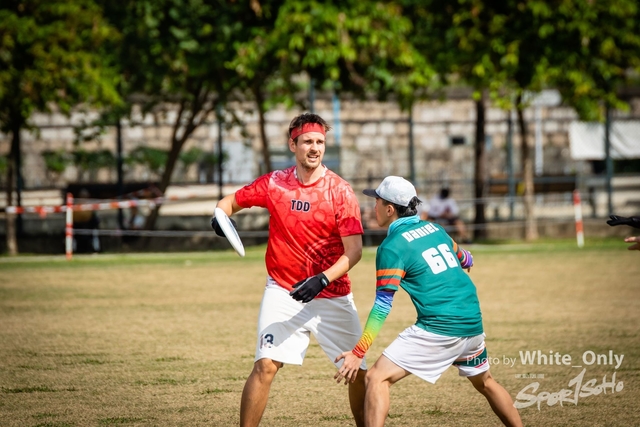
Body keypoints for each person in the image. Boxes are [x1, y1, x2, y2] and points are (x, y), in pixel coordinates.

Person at [212, 113, 367, 427]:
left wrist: (322, 279)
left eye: (320, 142)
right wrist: (220, 217)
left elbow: (354, 251)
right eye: (307, 141)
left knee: (358, 373)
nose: (315, 148)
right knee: (265, 366)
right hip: (283, 290)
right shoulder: (274, 184)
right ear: (293, 145)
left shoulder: (340, 191)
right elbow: (229, 202)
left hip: (332, 293)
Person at [334, 176, 523, 427]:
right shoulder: (435, 229)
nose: (372, 206)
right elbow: (464, 258)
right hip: (472, 322)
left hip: (440, 327)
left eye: (376, 201)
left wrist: (359, 352)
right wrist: (468, 259)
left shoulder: (391, 246)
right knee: (486, 382)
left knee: (376, 378)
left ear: (390, 210)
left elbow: (382, 306)